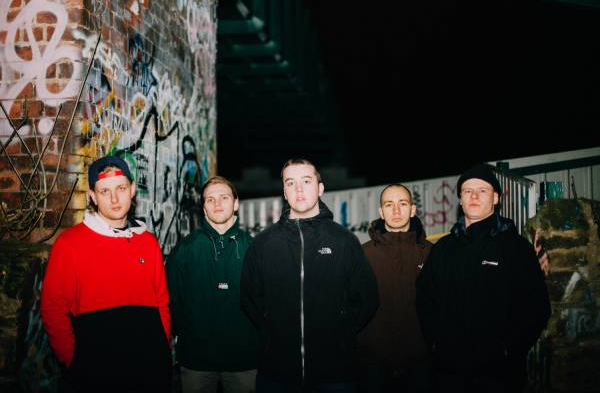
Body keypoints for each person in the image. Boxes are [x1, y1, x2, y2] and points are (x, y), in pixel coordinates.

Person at [240, 158, 379, 392]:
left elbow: (368, 298)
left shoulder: (344, 241)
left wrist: (340, 336)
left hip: (335, 374)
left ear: (320, 188)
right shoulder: (263, 243)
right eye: (290, 183)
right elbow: (249, 299)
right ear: (284, 192)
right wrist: (272, 334)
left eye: (306, 181)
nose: (298, 189)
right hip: (277, 374)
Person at [41, 155, 172, 392]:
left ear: (132, 189)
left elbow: (161, 303)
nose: (114, 198)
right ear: (92, 195)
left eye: (121, 188)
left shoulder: (148, 242)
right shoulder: (70, 244)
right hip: (96, 374)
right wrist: (74, 362)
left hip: (151, 371)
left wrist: (163, 350)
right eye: (104, 191)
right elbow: (53, 309)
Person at [415, 163, 551, 393]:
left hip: (499, 374)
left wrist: (510, 350)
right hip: (449, 372)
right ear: (460, 200)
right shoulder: (444, 248)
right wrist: (436, 344)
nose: (474, 196)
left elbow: (536, 307)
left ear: (496, 198)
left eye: (482, 190)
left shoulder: (515, 248)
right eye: (467, 191)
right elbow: (425, 297)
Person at [166, 176, 258, 393]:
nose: (217, 203)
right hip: (197, 362)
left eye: (224, 197)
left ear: (236, 203)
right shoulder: (185, 250)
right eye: (210, 199)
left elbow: (266, 302)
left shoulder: (255, 249)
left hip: (244, 360)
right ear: (204, 208)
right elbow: (172, 302)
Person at [357, 184, 432, 393]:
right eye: (389, 205)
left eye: (403, 204)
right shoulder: (363, 255)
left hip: (420, 365)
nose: (396, 210)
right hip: (373, 368)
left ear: (413, 209)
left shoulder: (430, 253)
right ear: (381, 212)